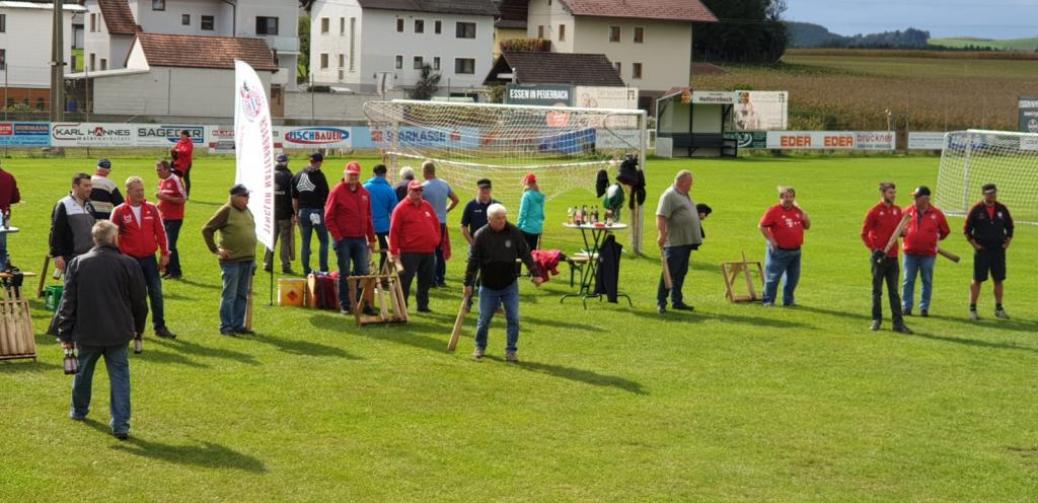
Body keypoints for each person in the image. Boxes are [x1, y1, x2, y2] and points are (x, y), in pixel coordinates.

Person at [58, 220, 148, 440]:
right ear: (114, 239)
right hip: (118, 331)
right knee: (119, 377)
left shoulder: (78, 263)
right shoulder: (129, 264)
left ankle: (78, 411)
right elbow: (139, 302)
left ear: (94, 239)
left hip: (88, 331)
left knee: (83, 372)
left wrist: (65, 333)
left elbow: (68, 301)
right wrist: (138, 328)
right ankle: (121, 424)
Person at [464, 203, 543, 362]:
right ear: (489, 219)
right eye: (497, 219)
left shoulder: (514, 232)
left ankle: (511, 351)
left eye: (503, 217)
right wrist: (468, 283)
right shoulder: (481, 235)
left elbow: (526, 254)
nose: (501, 221)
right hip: (488, 285)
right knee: (484, 319)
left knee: (513, 318)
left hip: (509, 284)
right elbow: (473, 261)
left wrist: (535, 273)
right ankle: (480, 347)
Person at [111, 176, 177, 339]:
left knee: (156, 292)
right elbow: (111, 236)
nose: (141, 193)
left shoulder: (151, 208)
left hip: (149, 259)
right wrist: (117, 258)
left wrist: (165, 253)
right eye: (137, 190)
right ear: (128, 191)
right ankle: (131, 327)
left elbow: (161, 232)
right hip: (129, 261)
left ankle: (159, 326)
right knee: (132, 295)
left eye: (142, 190)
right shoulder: (119, 211)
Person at [202, 184, 257, 336]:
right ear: (235, 197)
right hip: (231, 261)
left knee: (241, 294)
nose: (248, 199)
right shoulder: (226, 211)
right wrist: (216, 250)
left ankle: (238, 325)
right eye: (245, 196)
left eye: (248, 196)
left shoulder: (247, 211)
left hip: (247, 259)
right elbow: (207, 229)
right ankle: (226, 326)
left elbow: (250, 233)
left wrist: (253, 259)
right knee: (230, 295)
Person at [325, 161, 377, 314]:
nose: (353, 177)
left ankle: (364, 303)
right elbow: (328, 217)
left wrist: (372, 239)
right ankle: (345, 304)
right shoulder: (336, 191)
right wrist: (338, 237)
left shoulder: (365, 193)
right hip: (344, 240)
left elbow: (368, 218)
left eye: (356, 175)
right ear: (345, 174)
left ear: (359, 175)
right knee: (345, 272)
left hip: (360, 239)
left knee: (363, 272)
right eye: (350, 174)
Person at [861, 182, 912, 333]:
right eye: (890, 193)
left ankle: (898, 324)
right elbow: (863, 234)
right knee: (877, 291)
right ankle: (876, 320)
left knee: (894, 292)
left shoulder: (897, 211)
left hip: (893, 256)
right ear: (882, 193)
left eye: (894, 193)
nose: (893, 195)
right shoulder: (874, 211)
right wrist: (873, 249)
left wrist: (904, 232)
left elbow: (900, 232)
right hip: (879, 257)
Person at [388, 180, 441, 312]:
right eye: (415, 190)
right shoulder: (400, 208)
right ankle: (401, 305)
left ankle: (422, 305)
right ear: (409, 191)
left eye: (420, 190)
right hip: (409, 251)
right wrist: (394, 251)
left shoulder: (427, 206)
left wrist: (436, 240)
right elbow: (394, 231)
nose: (418, 193)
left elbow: (436, 224)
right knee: (405, 280)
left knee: (426, 279)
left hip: (428, 250)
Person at [964, 183, 1014, 321]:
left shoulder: (1002, 209)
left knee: (998, 279)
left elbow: (1010, 227)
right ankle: (972, 309)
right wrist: (975, 245)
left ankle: (999, 308)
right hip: (982, 250)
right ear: (984, 194)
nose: (992, 195)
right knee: (978, 279)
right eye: (989, 193)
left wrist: (1006, 244)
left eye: (994, 193)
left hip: (998, 250)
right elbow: (967, 230)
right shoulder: (976, 209)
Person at [655, 170, 702, 314]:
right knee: (669, 272)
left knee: (681, 272)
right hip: (675, 242)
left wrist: (697, 216)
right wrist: (662, 234)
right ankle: (661, 302)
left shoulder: (684, 194)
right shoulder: (669, 195)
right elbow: (661, 216)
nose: (692, 185)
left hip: (686, 241)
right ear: (683, 182)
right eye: (690, 183)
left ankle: (677, 300)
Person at [901, 186, 949, 317]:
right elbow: (897, 229)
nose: (914, 199)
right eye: (914, 197)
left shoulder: (937, 214)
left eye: (917, 197)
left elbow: (945, 231)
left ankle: (924, 308)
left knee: (926, 280)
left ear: (926, 199)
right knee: (908, 280)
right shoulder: (907, 211)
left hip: (928, 254)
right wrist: (902, 233)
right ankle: (906, 307)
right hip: (909, 252)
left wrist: (933, 240)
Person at [759, 186, 811, 307]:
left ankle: (788, 301)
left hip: (796, 250)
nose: (789, 199)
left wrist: (806, 217)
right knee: (773, 277)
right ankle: (768, 301)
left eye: (791, 197)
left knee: (793, 278)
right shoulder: (774, 210)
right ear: (781, 198)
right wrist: (771, 240)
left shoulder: (797, 211)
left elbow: (807, 226)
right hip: (779, 251)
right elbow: (762, 226)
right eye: (786, 197)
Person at [420, 160, 458, 287]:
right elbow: (455, 199)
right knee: (440, 251)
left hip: (428, 223)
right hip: (441, 222)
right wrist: (446, 209)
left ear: (425, 171)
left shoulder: (423, 186)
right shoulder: (444, 184)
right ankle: (440, 278)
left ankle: (431, 278)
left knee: (429, 251)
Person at [50, 173, 97, 275]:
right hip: (71, 258)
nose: (89, 189)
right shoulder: (63, 205)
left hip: (90, 257)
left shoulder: (90, 206)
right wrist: (57, 255)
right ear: (75, 187)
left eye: (90, 185)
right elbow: (56, 232)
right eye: (85, 186)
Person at [292, 152, 330, 275]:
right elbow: (327, 196)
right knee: (324, 241)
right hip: (317, 211)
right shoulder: (320, 176)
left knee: (305, 243)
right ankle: (323, 269)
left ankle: (306, 270)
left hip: (303, 212)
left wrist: (296, 214)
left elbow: (294, 199)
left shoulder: (297, 175)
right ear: (319, 162)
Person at [264, 154, 295, 274]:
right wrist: (293, 213)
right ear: (286, 162)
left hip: (271, 214)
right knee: (285, 241)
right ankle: (285, 265)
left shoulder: (269, 175)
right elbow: (292, 197)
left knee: (270, 239)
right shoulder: (289, 176)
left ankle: (267, 263)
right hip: (285, 214)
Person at [155, 160, 186, 280]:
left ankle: (176, 272)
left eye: (160, 170)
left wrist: (165, 198)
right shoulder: (161, 181)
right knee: (165, 244)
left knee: (170, 245)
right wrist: (159, 204)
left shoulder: (175, 180)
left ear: (167, 169)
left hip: (175, 217)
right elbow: (163, 198)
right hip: (164, 216)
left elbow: (183, 198)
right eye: (156, 170)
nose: (158, 172)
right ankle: (168, 270)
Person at [363, 163, 397, 272]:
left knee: (364, 251)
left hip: (367, 224)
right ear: (385, 174)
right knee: (385, 251)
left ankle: (364, 274)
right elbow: (394, 209)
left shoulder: (365, 188)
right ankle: (384, 275)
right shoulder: (389, 190)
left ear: (373, 173)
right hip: (383, 225)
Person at [460, 179, 498, 245]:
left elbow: (503, 225)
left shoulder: (497, 205)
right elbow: (463, 227)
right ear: (477, 189)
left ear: (491, 189)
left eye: (487, 188)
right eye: (482, 188)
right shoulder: (470, 205)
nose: (485, 190)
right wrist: (472, 243)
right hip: (477, 244)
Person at [516, 173, 545, 251]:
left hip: (526, 228)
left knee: (519, 253)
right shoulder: (541, 196)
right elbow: (542, 215)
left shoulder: (526, 196)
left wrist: (518, 226)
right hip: (536, 229)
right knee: (532, 254)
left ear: (527, 183)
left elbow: (523, 212)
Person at [0, 160, 21, 271]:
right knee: (2, 248)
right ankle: (2, 269)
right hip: (4, 215)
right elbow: (16, 198)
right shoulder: (9, 177)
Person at [170, 130, 194, 197]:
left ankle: (186, 194)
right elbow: (175, 149)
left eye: (182, 135)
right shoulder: (179, 142)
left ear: (186, 136)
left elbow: (187, 152)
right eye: (180, 135)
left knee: (186, 179)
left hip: (186, 164)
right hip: (179, 163)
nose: (181, 137)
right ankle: (176, 192)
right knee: (176, 178)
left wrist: (178, 151)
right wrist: (173, 150)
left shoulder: (189, 143)